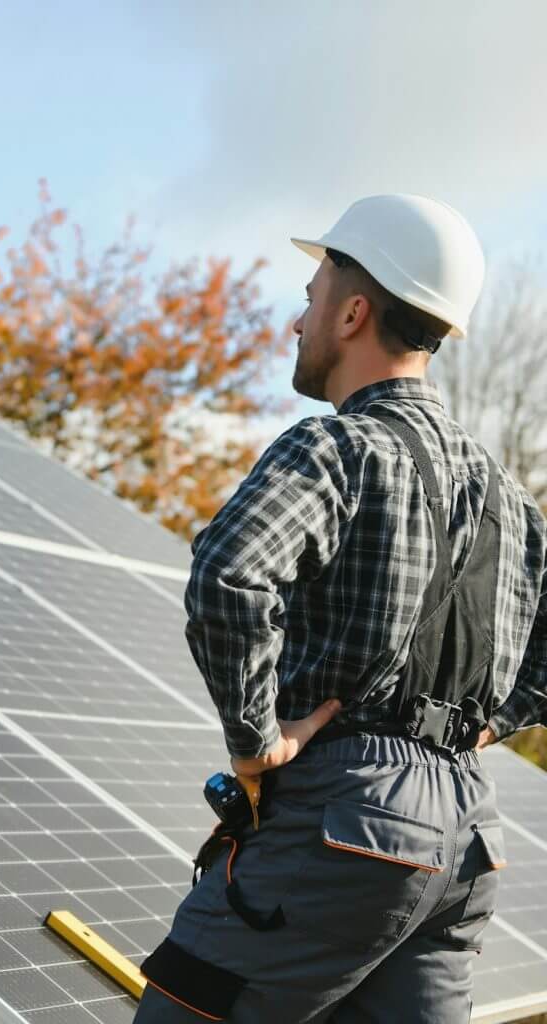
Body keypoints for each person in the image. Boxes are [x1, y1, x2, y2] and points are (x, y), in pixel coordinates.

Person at [134, 194, 547, 1023]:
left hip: (347, 820)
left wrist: (256, 743)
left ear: (355, 312)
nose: (298, 320)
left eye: (312, 296)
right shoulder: (509, 500)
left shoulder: (337, 448)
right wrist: (481, 729)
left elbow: (229, 576)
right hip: (466, 839)